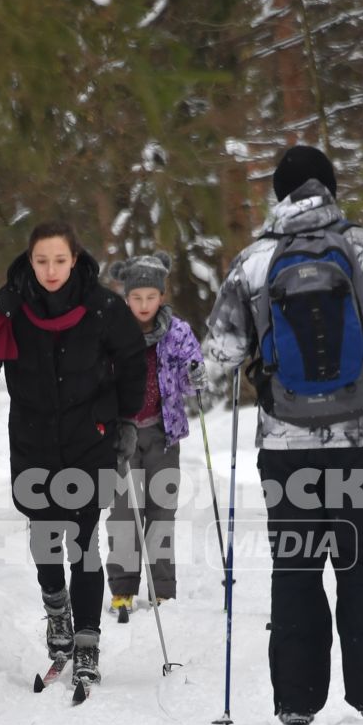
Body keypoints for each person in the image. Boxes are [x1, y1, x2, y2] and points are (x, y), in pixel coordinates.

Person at [202, 144, 363, 725]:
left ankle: (297, 703)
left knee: (296, 567)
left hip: (285, 444)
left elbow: (221, 354)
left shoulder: (253, 262)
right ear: (331, 188)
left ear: (279, 195)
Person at [0, 221, 146, 689]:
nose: (50, 270)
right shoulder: (9, 306)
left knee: (83, 538)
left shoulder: (103, 307)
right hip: (34, 437)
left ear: (75, 258)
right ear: (29, 260)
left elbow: (131, 363)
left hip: (92, 435)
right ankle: (57, 613)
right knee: (45, 536)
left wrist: (127, 422)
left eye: (59, 260)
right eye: (41, 260)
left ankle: (87, 642)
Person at [102, 252, 204, 618]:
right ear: (126, 297)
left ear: (161, 296)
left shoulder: (177, 332)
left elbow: (192, 381)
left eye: (151, 297)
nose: (143, 305)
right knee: (124, 515)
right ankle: (123, 590)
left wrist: (195, 375)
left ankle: (163, 590)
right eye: (136, 297)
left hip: (164, 435)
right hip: (121, 438)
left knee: (161, 515)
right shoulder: (112, 330)